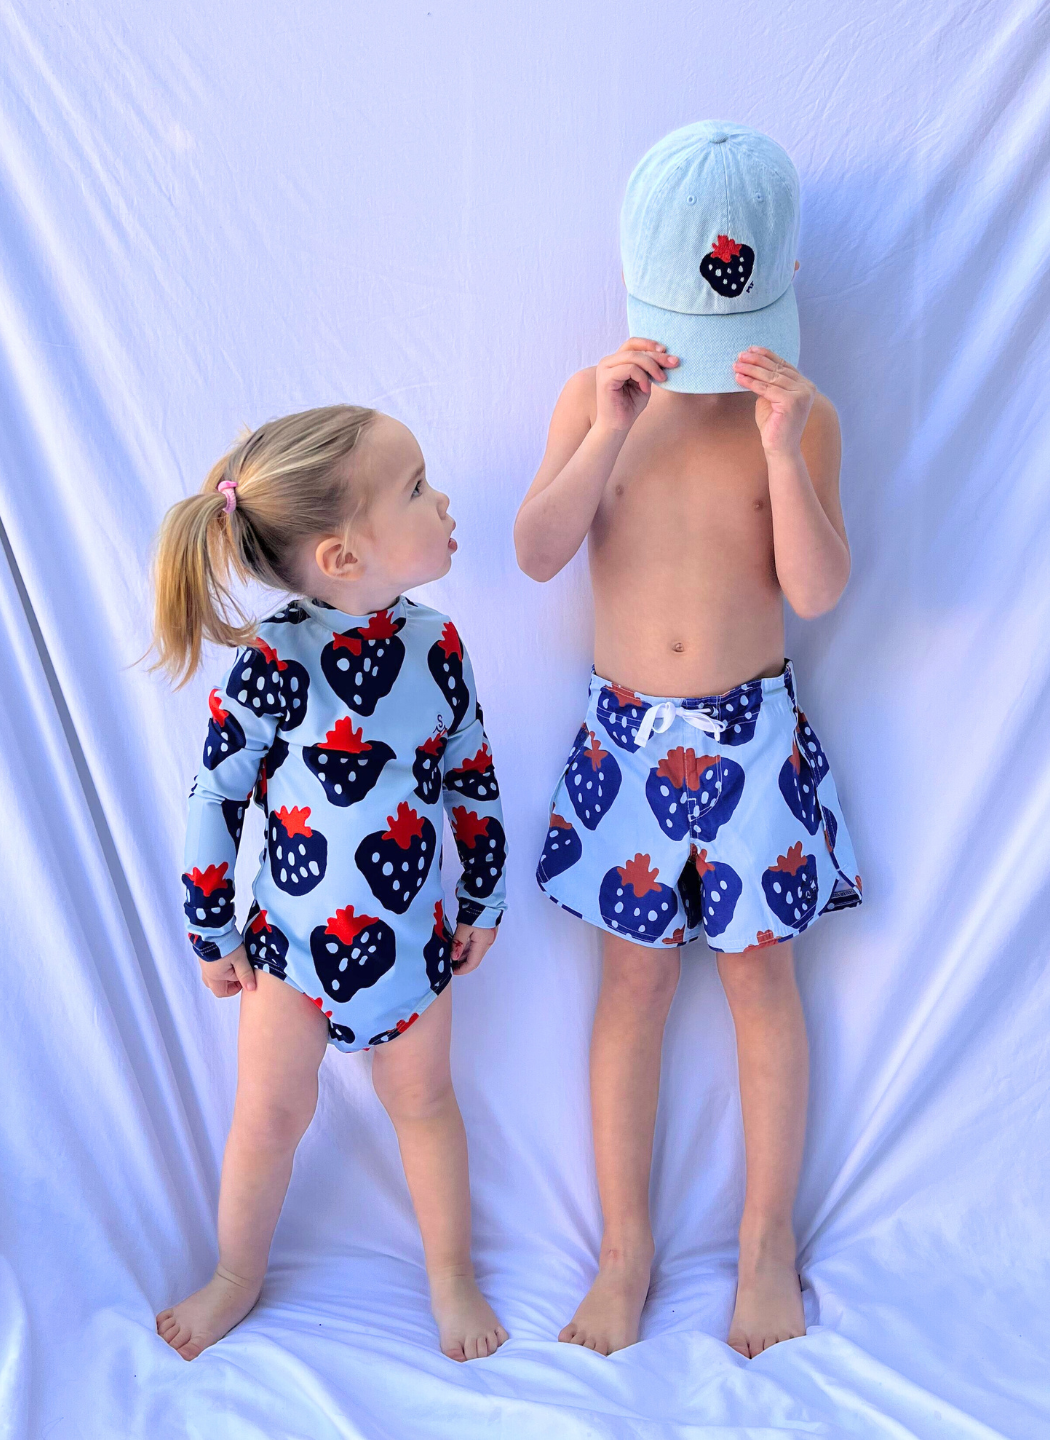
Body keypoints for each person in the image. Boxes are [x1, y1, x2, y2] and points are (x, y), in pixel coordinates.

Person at [514, 121, 862, 1359]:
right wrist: (606, 428)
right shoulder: (595, 399)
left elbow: (816, 591)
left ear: (789, 290)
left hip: (753, 739)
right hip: (622, 750)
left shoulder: (798, 417)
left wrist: (783, 453)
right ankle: (626, 1248)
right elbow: (539, 550)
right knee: (636, 982)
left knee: (763, 979)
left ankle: (767, 1244)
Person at [150, 405, 509, 1362]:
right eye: (417, 489)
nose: (443, 501)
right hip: (290, 952)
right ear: (344, 555)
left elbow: (471, 775)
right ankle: (236, 1274)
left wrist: (483, 900)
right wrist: (212, 931)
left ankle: (451, 1276)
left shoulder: (438, 647)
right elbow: (216, 798)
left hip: (416, 946)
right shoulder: (273, 662)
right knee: (268, 1119)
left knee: (427, 1109)